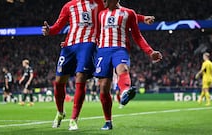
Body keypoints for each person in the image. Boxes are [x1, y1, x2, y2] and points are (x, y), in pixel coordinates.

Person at [42, 0, 153, 130]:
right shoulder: (69, 5)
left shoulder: (100, 3)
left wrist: (143, 18)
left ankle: (74, 119)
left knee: (81, 76)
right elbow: (58, 26)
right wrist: (50, 31)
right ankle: (60, 112)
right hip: (70, 46)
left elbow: (120, 11)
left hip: (89, 44)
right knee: (60, 81)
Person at [94, 0, 162, 130]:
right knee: (104, 87)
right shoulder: (100, 13)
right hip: (103, 50)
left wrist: (150, 52)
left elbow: (137, 36)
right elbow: (94, 31)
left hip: (120, 48)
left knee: (123, 68)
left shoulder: (128, 13)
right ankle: (108, 121)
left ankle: (125, 92)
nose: (103, 1)